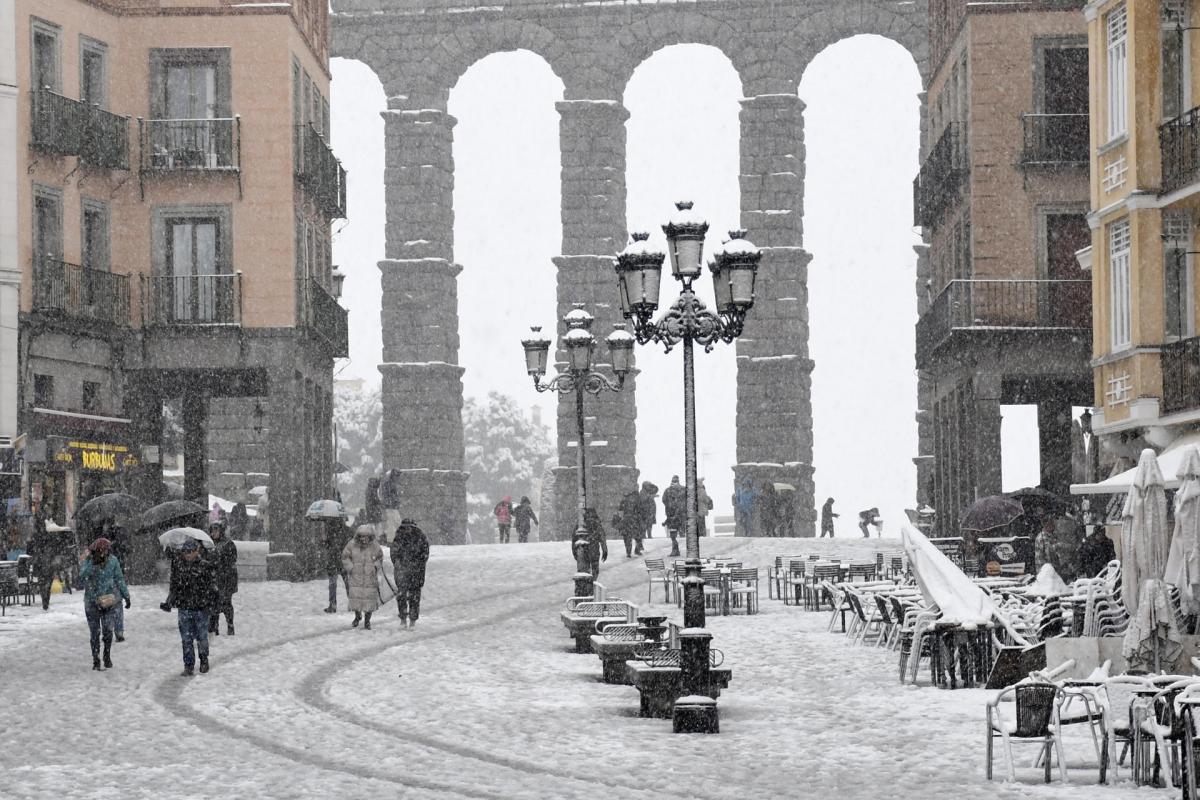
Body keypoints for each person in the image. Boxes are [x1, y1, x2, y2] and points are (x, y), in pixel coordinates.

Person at [164, 539, 215, 676]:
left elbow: (211, 588)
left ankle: (203, 660)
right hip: (185, 607)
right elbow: (174, 586)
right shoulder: (179, 566)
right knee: (186, 639)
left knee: (201, 637)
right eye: (185, 551)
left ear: (196, 551)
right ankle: (188, 665)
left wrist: (210, 605)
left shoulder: (204, 566)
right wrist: (170, 600)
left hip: (201, 608)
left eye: (190, 551)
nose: (187, 554)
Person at [78, 537, 129, 671]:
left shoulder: (113, 561)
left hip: (107, 601)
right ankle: (96, 659)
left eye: (106, 550)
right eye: (101, 550)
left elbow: (119, 579)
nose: (104, 553)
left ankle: (107, 655)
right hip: (91, 602)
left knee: (108, 630)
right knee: (94, 633)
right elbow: (81, 576)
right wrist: (92, 564)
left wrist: (126, 596)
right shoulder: (89, 561)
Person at [391, 518, 429, 629]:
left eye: (409, 527)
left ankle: (412, 620)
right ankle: (403, 619)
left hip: (416, 573)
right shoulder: (399, 538)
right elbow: (394, 554)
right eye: (405, 527)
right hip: (403, 572)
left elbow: (424, 554)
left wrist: (416, 564)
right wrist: (399, 563)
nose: (407, 529)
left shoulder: (420, 538)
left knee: (414, 597)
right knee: (401, 596)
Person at [342, 526, 383, 630]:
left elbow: (380, 557)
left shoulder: (374, 546)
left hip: (370, 577)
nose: (363, 539)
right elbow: (345, 557)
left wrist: (375, 567)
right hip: (356, 576)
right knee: (356, 597)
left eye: (366, 536)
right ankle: (357, 616)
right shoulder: (352, 544)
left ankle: (367, 621)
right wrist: (350, 567)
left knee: (369, 599)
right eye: (361, 536)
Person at [207, 520, 238, 636]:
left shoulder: (228, 544)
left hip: (227, 579)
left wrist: (220, 562)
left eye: (216, 530)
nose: (214, 533)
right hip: (214, 578)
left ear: (221, 531)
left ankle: (230, 625)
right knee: (213, 603)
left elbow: (232, 560)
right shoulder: (209, 544)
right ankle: (214, 627)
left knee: (226, 603)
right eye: (212, 531)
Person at [27, 507, 56, 610]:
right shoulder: (49, 533)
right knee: (47, 582)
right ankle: (46, 599)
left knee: (42, 582)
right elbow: (54, 546)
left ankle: (45, 599)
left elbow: (30, 548)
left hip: (41, 561)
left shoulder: (36, 535)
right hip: (47, 561)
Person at [320, 518, 351, 613]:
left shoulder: (329, 530)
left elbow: (325, 545)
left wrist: (324, 539)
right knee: (348, 583)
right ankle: (352, 604)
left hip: (333, 560)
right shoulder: (347, 530)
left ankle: (332, 605)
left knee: (333, 584)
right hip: (344, 560)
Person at [106, 522, 131, 641]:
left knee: (108, 607)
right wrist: (126, 596)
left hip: (107, 581)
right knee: (117, 606)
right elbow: (128, 551)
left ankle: (108, 630)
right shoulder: (121, 543)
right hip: (116, 576)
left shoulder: (107, 546)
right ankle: (118, 632)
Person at [574, 507, 608, 578]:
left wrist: (575, 552)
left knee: (584, 571)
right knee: (595, 570)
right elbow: (602, 538)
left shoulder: (581, 525)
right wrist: (605, 551)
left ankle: (587, 582)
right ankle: (593, 581)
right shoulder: (597, 524)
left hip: (583, 550)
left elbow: (574, 538)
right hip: (594, 551)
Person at [615, 485, 644, 558]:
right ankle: (637, 550)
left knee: (627, 536)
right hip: (635, 520)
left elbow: (620, 510)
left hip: (626, 520)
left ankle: (628, 552)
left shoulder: (625, 499)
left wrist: (622, 519)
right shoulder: (638, 499)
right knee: (638, 535)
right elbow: (640, 510)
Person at [662, 476, 686, 557]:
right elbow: (687, 501)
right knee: (681, 533)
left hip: (671, 514)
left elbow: (664, 500)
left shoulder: (668, 490)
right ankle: (677, 550)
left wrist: (669, 507)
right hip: (681, 515)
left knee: (673, 534)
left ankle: (675, 550)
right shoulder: (683, 489)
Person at [636, 482, 658, 550]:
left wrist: (652, 485)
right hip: (645, 511)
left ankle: (649, 535)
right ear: (644, 486)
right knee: (644, 524)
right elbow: (643, 500)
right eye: (648, 485)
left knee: (650, 524)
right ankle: (644, 535)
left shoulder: (649, 491)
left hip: (650, 511)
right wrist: (650, 496)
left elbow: (656, 489)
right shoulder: (642, 492)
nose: (649, 487)